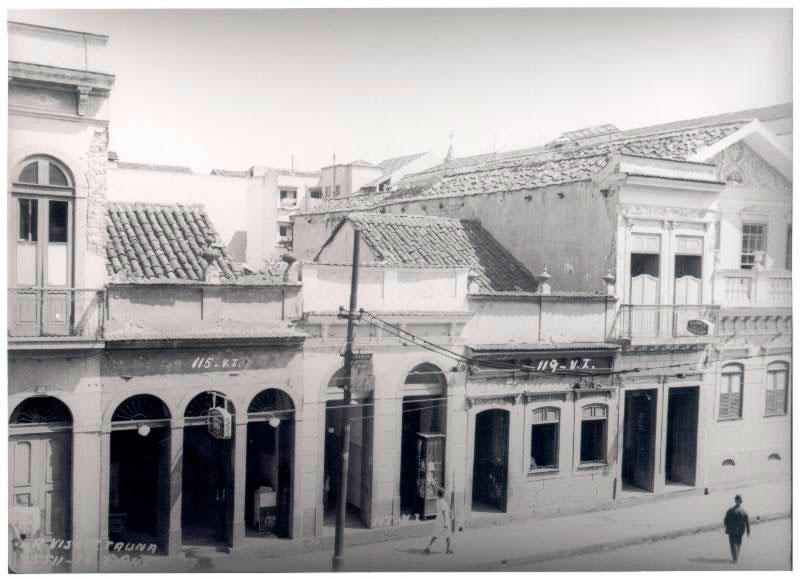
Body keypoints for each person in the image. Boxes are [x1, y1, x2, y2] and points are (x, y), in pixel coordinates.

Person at [424, 487, 453, 555]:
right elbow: (444, 512)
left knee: (436, 534)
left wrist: (449, 511)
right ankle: (448, 549)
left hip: (438, 520)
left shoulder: (437, 501)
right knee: (448, 535)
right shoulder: (443, 501)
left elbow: (443, 511)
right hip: (444, 521)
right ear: (443, 494)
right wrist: (446, 522)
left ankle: (428, 546)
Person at [723, 494, 751, 563]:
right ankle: (736, 557)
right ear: (741, 501)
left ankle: (735, 559)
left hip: (732, 530)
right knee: (738, 543)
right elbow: (747, 523)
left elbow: (725, 520)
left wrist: (726, 526)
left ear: (735, 501)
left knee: (732, 544)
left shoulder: (730, 510)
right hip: (741, 531)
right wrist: (748, 531)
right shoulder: (744, 512)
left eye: (736, 499)